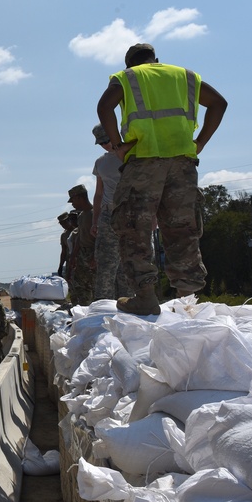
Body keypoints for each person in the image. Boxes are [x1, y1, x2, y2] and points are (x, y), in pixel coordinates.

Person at [97, 42, 227, 315]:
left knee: (134, 229)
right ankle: (188, 298)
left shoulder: (128, 78)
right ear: (156, 59)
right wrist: (200, 142)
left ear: (129, 65)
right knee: (182, 229)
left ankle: (145, 296)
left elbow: (104, 107)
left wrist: (119, 146)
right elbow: (219, 103)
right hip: (182, 163)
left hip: (143, 161)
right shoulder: (185, 76)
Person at [90, 124, 133, 300]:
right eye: (101, 143)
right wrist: (95, 221)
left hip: (131, 213)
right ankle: (103, 308)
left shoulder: (132, 155)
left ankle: (130, 305)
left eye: (107, 140)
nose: (105, 145)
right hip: (108, 215)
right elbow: (98, 193)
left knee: (129, 265)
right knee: (107, 266)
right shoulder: (100, 163)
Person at [66, 185, 95, 306]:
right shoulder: (82, 216)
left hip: (92, 253)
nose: (72, 204)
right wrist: (73, 257)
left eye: (73, 200)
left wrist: (95, 256)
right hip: (82, 255)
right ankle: (83, 309)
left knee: (94, 285)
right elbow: (79, 238)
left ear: (79, 197)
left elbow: (100, 238)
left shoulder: (94, 214)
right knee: (79, 286)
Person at [56, 211, 74, 277]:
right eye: (62, 224)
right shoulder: (64, 235)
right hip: (70, 261)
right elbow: (63, 252)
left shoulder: (77, 230)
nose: (64, 225)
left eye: (65, 222)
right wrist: (60, 266)